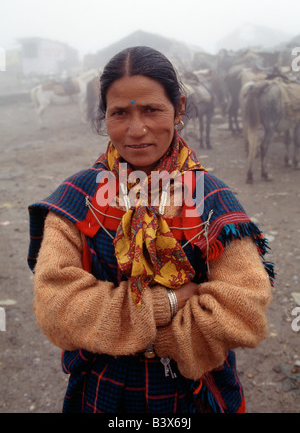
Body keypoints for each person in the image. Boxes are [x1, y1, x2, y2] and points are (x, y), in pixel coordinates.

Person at [28, 46, 274, 414]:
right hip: (102, 395)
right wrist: (168, 303)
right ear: (104, 117)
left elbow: (245, 311)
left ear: (179, 109)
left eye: (151, 110)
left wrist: (140, 338)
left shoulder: (212, 198)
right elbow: (56, 308)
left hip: (192, 397)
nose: (136, 130)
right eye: (120, 113)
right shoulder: (78, 197)